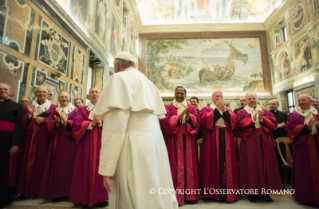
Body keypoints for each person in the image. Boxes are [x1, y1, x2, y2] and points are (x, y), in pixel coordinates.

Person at [93, 51, 178, 209]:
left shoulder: (118, 78)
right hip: (155, 144)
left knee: (134, 194)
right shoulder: (148, 82)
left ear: (117, 65)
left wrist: (107, 167)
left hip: (132, 145)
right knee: (154, 189)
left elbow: (115, 127)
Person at [236, 92, 281, 202]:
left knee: (265, 166)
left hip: (265, 141)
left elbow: (274, 123)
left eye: (254, 98)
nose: (252, 100)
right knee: (251, 166)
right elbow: (239, 124)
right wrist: (252, 119)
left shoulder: (264, 111)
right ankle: (253, 193)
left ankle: (265, 193)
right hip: (249, 142)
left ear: (257, 99)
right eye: (249, 98)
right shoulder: (241, 112)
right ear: (245, 101)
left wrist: (262, 119)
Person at [160, 86, 200, 205]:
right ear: (174, 94)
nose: (179, 95)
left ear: (185, 95)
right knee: (175, 165)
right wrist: (178, 116)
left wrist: (188, 117)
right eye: (177, 93)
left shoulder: (191, 107)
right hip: (174, 138)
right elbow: (165, 122)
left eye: (181, 93)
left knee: (190, 165)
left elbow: (197, 123)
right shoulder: (168, 107)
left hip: (188, 137)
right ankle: (176, 197)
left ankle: (191, 196)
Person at [69, 87, 108, 208]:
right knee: (84, 167)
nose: (95, 94)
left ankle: (101, 198)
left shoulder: (107, 108)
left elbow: (113, 123)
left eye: (97, 92)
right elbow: (76, 123)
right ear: (88, 96)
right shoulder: (82, 109)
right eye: (92, 92)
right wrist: (91, 123)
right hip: (86, 143)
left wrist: (101, 122)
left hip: (102, 143)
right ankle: (83, 198)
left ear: (101, 95)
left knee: (101, 167)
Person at [199, 91, 239, 202]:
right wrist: (217, 110)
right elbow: (204, 121)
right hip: (212, 138)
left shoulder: (228, 110)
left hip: (226, 137)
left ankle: (227, 193)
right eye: (217, 96)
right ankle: (211, 194)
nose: (219, 98)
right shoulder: (206, 109)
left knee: (228, 165)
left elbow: (234, 122)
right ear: (212, 98)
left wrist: (224, 111)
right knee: (211, 163)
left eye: (221, 96)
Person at [16, 86, 56, 197]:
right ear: (35, 93)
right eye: (39, 92)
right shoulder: (29, 105)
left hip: (46, 138)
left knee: (43, 163)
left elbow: (56, 122)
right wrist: (29, 114)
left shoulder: (53, 107)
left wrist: (45, 119)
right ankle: (27, 190)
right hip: (31, 138)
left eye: (44, 92)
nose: (42, 94)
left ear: (48, 94)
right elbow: (22, 123)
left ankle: (42, 190)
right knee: (28, 161)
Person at [39, 92, 78, 200]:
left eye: (66, 97)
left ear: (69, 98)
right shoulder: (55, 111)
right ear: (59, 99)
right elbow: (48, 124)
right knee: (56, 165)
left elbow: (77, 124)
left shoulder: (75, 111)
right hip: (56, 141)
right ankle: (57, 192)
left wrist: (66, 123)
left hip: (70, 142)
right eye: (62, 97)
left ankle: (69, 192)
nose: (64, 99)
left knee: (69, 165)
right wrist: (55, 123)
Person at [286, 94, 319, 206]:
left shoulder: (317, 113)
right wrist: (306, 127)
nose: (300, 102)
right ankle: (305, 196)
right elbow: (290, 129)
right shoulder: (294, 115)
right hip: (303, 145)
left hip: (316, 142)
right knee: (305, 170)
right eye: (299, 100)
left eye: (303, 100)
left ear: (310, 102)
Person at [0, 83, 23, 208]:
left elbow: (19, 127)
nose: (3, 91)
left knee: (3, 169)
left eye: (5, 89)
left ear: (10, 92)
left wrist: (15, 144)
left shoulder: (16, 106)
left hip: (6, 140)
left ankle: (2, 198)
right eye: (0, 89)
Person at [269, 99, 291, 183]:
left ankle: (287, 178)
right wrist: (276, 126)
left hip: (283, 139)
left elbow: (288, 125)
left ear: (278, 105)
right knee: (275, 159)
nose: (271, 105)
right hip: (272, 139)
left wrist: (285, 125)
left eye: (273, 104)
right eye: (270, 104)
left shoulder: (284, 114)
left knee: (284, 158)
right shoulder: (267, 114)